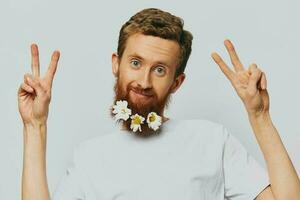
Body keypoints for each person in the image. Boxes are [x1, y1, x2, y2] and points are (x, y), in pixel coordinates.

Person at [18, 8, 300, 200]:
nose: (144, 80)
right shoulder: (89, 157)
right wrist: (35, 126)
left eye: (160, 70)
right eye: (136, 63)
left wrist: (260, 116)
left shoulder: (212, 140)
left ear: (177, 82)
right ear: (116, 64)